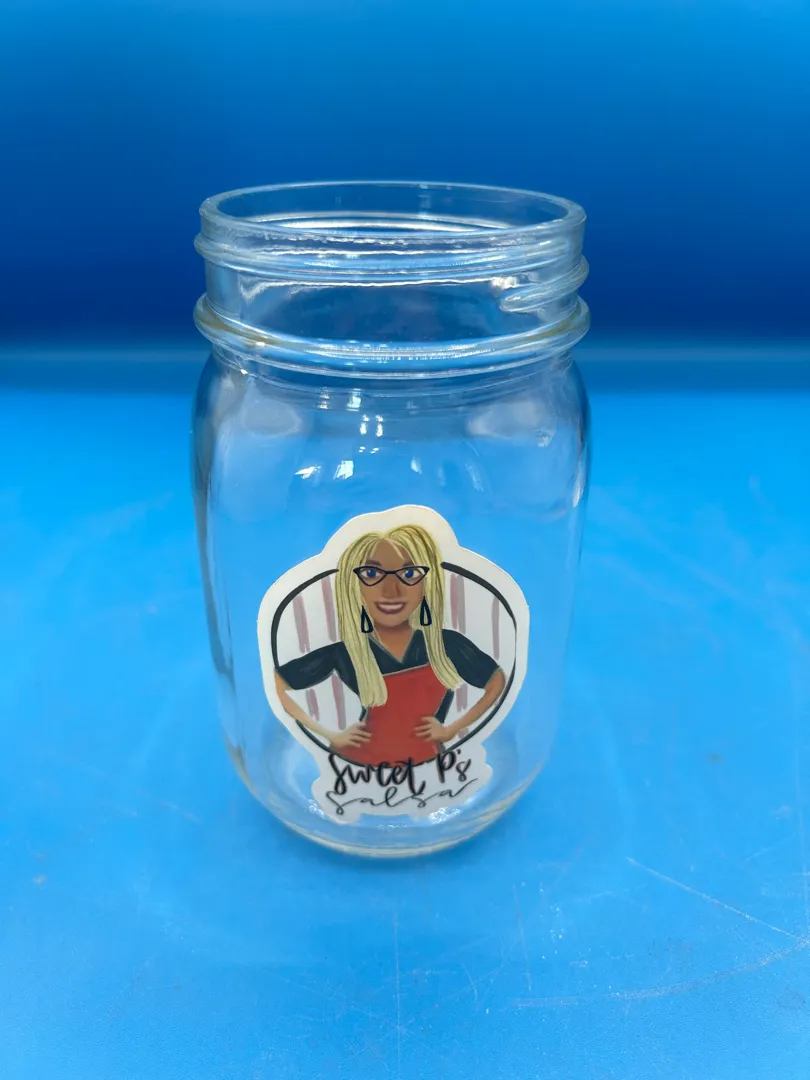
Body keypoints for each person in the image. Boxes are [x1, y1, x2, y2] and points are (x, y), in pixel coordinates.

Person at [274, 523, 506, 766]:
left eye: (409, 574)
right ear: (353, 585)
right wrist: (331, 735)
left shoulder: (445, 645)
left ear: (428, 582)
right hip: (355, 766)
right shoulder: (345, 652)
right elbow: (277, 684)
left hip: (428, 766)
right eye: (371, 574)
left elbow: (496, 681)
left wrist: (451, 730)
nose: (391, 591)